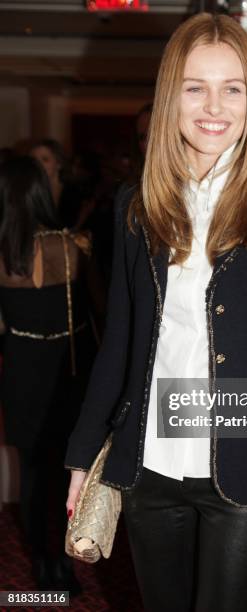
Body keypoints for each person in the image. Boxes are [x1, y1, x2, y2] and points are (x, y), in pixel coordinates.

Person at [65, 12, 247, 612]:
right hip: (150, 464)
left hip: (246, 461)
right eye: (196, 87)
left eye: (232, 88)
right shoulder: (135, 206)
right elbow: (121, 340)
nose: (213, 105)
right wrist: (82, 456)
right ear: (172, 97)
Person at [0, 156, 99, 593]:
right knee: (68, 470)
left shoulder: (4, 255)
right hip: (68, 370)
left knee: (33, 472)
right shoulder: (73, 245)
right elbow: (101, 310)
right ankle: (64, 562)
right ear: (41, 191)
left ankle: (44, 565)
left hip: (22, 370)